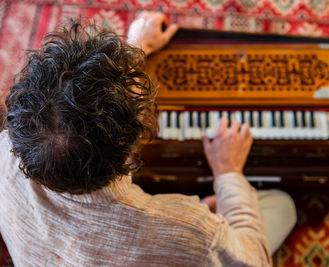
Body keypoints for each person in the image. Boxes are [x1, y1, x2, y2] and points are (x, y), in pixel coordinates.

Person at [0, 12, 296, 266]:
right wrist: (228, 172)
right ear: (128, 152)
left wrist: (136, 47)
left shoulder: (7, 147)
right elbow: (254, 260)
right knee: (282, 207)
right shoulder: (191, 230)